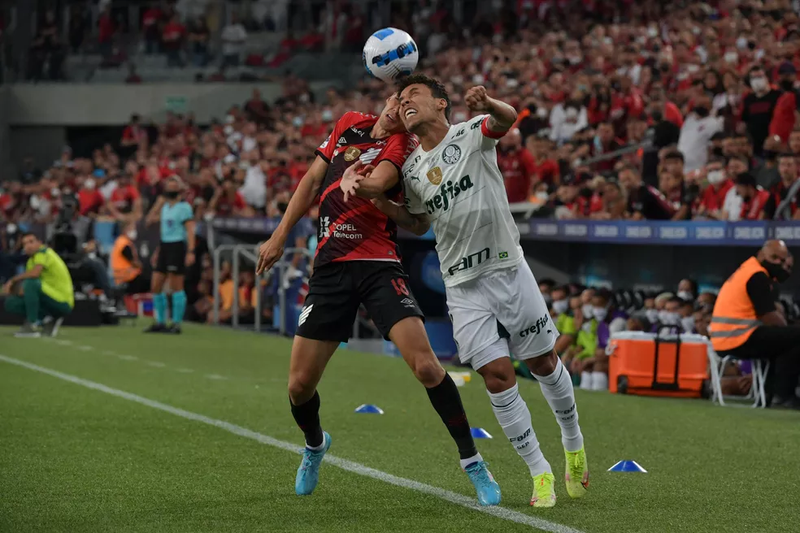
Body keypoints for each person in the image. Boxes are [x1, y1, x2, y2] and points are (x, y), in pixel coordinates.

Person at [353, 75, 588, 508]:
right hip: (462, 285)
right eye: (401, 99)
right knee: (497, 377)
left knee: (542, 360)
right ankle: (540, 473)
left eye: (413, 96)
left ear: (441, 104)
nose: (405, 103)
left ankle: (573, 444)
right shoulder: (410, 169)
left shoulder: (471, 132)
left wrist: (489, 101)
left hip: (507, 268)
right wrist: (383, 205)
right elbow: (420, 223)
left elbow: (508, 119)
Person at [255, 95, 499, 506]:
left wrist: (362, 184)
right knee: (299, 387)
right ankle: (315, 445)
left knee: (426, 365)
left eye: (407, 103)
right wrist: (279, 235)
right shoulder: (348, 122)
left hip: (379, 266)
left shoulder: (402, 145)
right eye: (396, 98)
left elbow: (382, 180)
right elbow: (312, 181)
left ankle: (472, 461)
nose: (397, 106)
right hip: (330, 269)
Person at [709, 240, 800, 407]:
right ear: (761, 254)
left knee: (788, 342)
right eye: (774, 257)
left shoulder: (748, 269)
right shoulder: (757, 275)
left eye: (781, 260)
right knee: (794, 337)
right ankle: (783, 396)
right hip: (737, 338)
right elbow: (769, 316)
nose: (778, 263)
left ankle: (771, 394)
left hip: (727, 338)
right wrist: (790, 330)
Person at [144, 176, 195, 334]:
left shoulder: (184, 208)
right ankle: (160, 321)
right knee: (156, 285)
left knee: (175, 285)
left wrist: (191, 251)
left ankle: (176, 323)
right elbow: (149, 221)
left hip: (177, 245)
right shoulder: (165, 207)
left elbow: (190, 230)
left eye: (174, 187)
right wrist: (159, 250)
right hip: (165, 245)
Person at [2, 233, 73, 338]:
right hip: (48, 297)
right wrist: (11, 290)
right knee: (12, 303)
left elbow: (35, 274)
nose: (28, 246)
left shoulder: (44, 252)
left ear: (39, 243)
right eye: (25, 244)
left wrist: (12, 280)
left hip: (62, 301)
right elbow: (24, 290)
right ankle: (49, 319)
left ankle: (32, 325)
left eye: (31, 242)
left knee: (31, 282)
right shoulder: (31, 261)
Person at [110, 222, 149, 294]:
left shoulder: (120, 241)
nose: (134, 231)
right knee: (148, 281)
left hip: (121, 277)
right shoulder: (124, 244)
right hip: (128, 277)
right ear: (125, 230)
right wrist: (143, 266)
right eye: (132, 228)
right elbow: (133, 262)